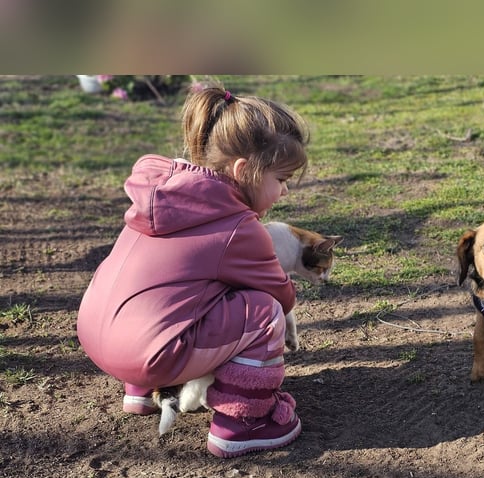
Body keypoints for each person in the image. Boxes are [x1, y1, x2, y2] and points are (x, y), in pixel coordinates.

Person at [77, 86, 310, 458]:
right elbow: (282, 296)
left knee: (171, 297)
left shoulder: (164, 196)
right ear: (244, 170)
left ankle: (141, 391)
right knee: (263, 313)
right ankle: (244, 423)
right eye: (281, 180)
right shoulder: (237, 226)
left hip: (97, 335)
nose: (283, 193)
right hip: (150, 351)